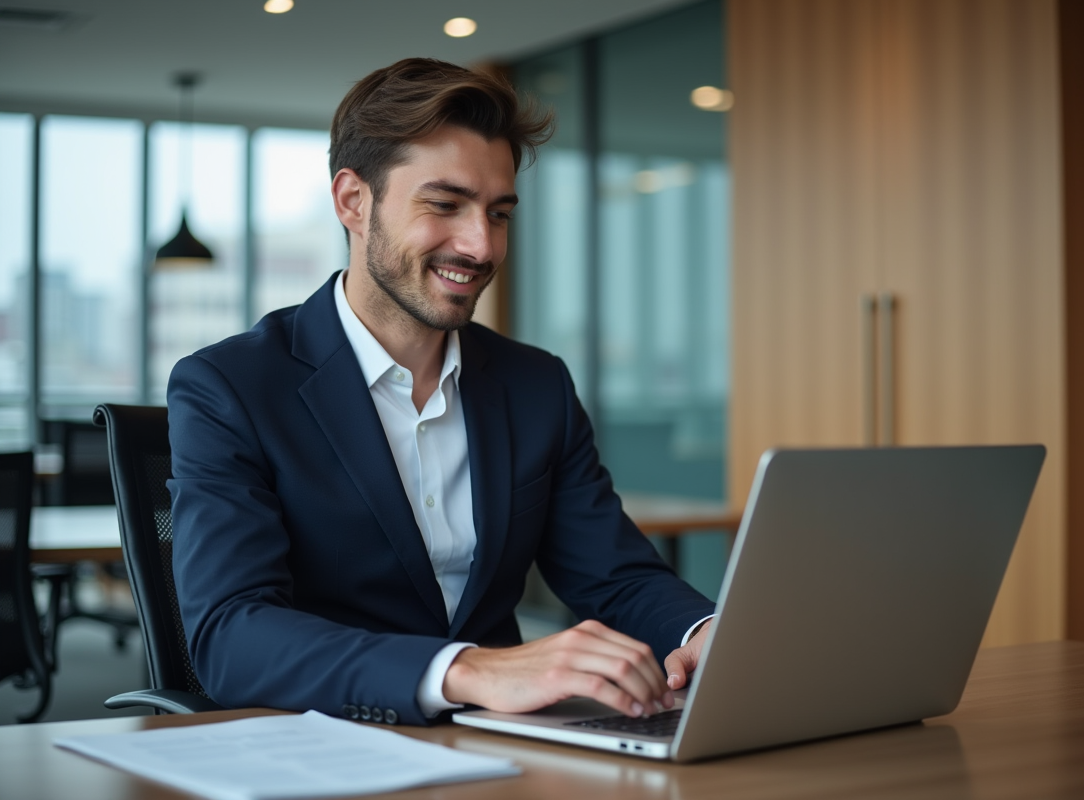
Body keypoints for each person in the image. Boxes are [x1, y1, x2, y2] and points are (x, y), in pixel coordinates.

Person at [167, 58, 716, 727]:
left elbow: (615, 575)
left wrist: (703, 633)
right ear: (352, 201)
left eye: (499, 212)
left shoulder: (534, 384)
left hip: (508, 750)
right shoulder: (232, 387)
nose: (481, 245)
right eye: (445, 205)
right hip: (322, 748)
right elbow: (232, 634)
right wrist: (466, 669)